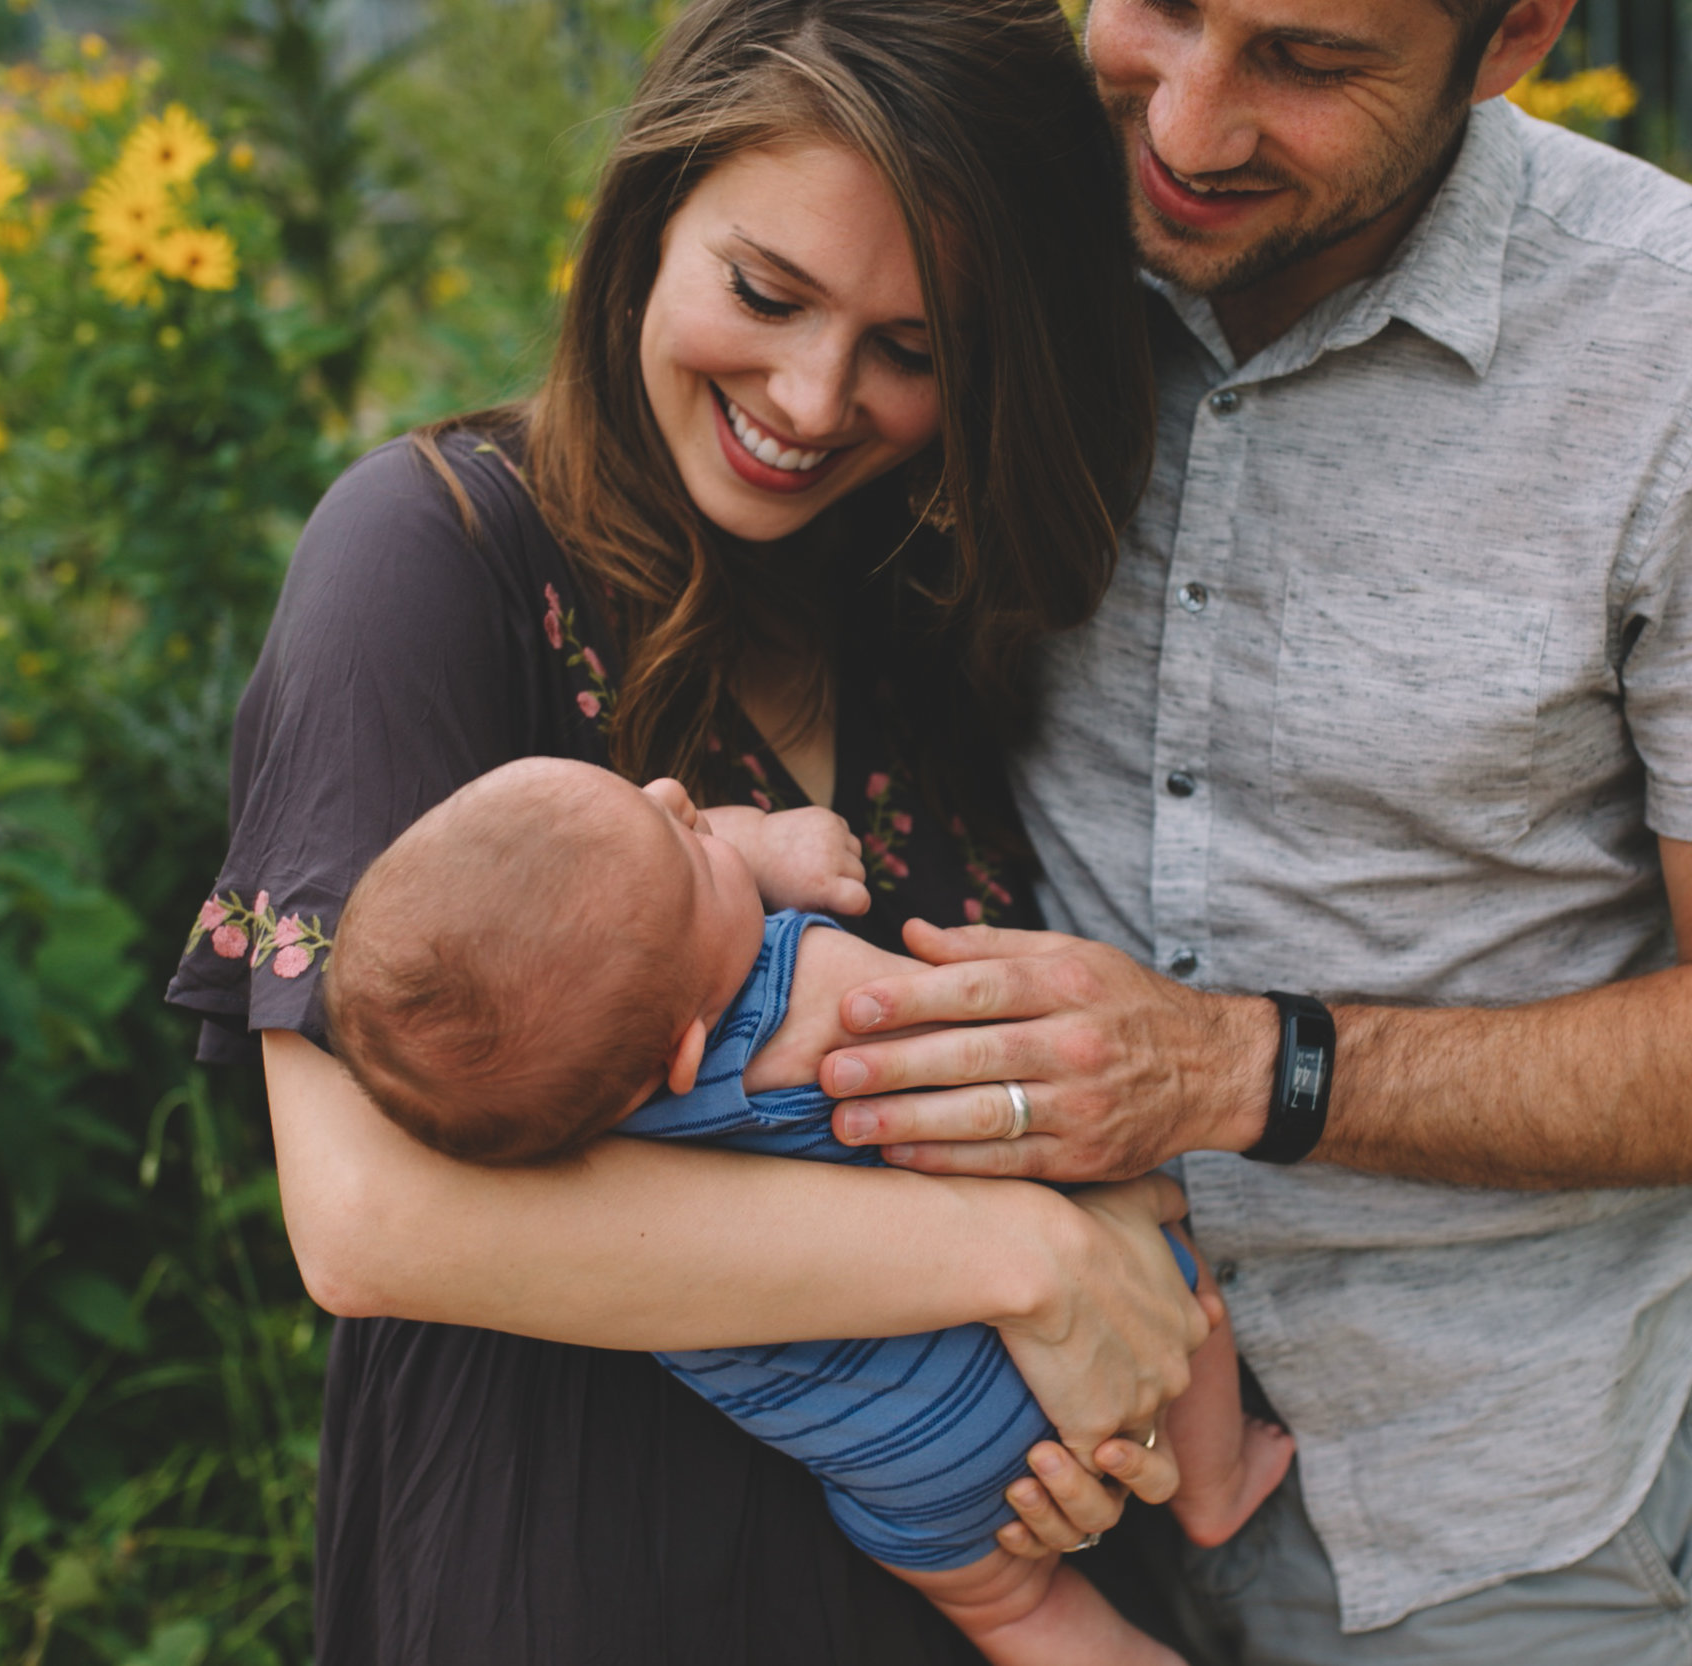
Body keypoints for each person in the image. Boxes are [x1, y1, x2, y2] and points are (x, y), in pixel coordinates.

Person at [809, 1, 1692, 1662]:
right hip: (1010, 1445)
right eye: (1160, 10)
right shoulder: (984, 230)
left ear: (1515, 37)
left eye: (1311, 62)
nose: (1190, 132)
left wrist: (1235, 1066)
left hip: (1482, 1503)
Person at [164, 3, 1207, 1659]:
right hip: (569, 1583)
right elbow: (370, 1220)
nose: (812, 395)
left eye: (912, 350)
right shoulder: (433, 557)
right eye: (766, 292)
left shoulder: (914, 622)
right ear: (647, 218)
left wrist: (1083, 1339)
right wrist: (1025, 1261)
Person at [315, 758, 1296, 1664]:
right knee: (1167, 1252)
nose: (670, 792)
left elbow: (649, 907)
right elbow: (998, 1053)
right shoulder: (812, 995)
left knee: (1014, 1610)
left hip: (914, 1482)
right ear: (687, 1047)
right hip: (1068, 1338)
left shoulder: (582, 1148)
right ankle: (1213, 1486)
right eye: (693, 849)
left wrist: (722, 855)